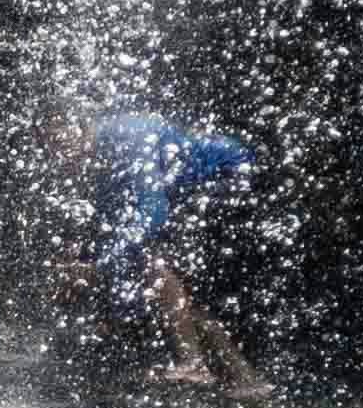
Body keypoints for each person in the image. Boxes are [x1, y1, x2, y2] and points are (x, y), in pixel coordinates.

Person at [84, 104, 258, 389]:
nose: (58, 156)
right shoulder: (100, 155)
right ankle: (246, 381)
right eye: (48, 147)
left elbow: (153, 210)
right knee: (165, 282)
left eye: (59, 142)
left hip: (235, 176)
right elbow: (113, 222)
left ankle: (195, 364)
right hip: (200, 190)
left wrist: (101, 262)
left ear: (81, 128)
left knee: (156, 268)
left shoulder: (128, 138)